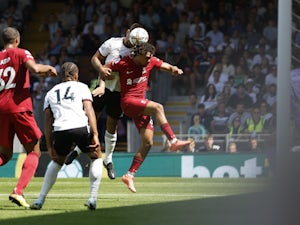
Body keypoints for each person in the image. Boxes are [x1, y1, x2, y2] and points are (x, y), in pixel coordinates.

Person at [65, 23, 148, 179]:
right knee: (89, 119)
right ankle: (77, 149)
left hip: (120, 93)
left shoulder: (138, 52)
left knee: (112, 125)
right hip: (102, 87)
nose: (135, 40)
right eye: (133, 35)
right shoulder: (112, 43)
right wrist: (101, 70)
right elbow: (95, 59)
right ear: (128, 32)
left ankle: (108, 160)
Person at [108, 42, 191, 193]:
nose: (148, 60)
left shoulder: (150, 61)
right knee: (158, 107)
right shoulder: (123, 62)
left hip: (140, 104)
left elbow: (166, 66)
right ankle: (173, 141)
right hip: (128, 102)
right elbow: (105, 66)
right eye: (146, 57)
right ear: (137, 54)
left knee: (148, 142)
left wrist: (174, 69)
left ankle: (129, 175)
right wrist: (102, 78)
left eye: (150, 57)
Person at [30, 62, 102, 210]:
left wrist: (49, 147)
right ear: (76, 75)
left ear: (61, 77)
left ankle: (40, 200)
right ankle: (93, 198)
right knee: (96, 157)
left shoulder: (50, 92)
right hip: (80, 127)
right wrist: (95, 133)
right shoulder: (82, 87)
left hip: (60, 130)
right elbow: (89, 110)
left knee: (57, 162)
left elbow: (48, 122)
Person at [0, 27, 57, 208]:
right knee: (34, 151)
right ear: (17, 40)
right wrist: (47, 68)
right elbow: (34, 68)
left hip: (1, 109)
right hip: (19, 108)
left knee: (4, 154)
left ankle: (18, 191)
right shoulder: (22, 52)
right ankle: (18, 191)